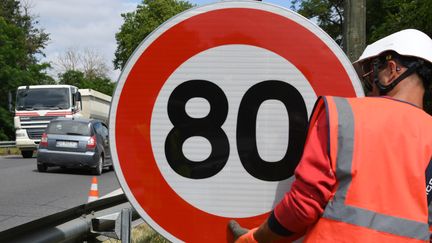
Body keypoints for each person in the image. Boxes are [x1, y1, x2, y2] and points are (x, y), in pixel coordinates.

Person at [229, 28, 432, 242]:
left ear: (392, 69)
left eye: (373, 71)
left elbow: (303, 205)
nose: (369, 83)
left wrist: (255, 239)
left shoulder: (344, 114)